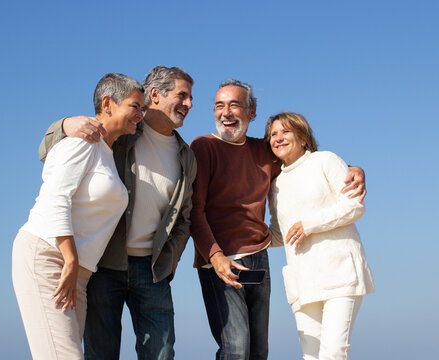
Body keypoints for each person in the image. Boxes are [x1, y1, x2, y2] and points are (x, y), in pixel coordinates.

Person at [190, 81, 367, 360]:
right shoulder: (203, 147)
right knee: (236, 348)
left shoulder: (265, 152)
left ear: (252, 111)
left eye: (234, 104)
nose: (226, 112)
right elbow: (194, 210)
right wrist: (215, 257)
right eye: (219, 106)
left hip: (259, 260)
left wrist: (354, 169)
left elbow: (305, 165)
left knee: (259, 351)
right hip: (222, 261)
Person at [39, 65, 196, 360]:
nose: (189, 104)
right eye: (182, 96)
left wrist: (169, 262)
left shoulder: (186, 156)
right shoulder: (122, 132)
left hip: (153, 271)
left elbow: (184, 218)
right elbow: (47, 150)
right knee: (100, 353)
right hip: (104, 265)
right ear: (155, 95)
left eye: (190, 97)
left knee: (161, 354)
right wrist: (65, 124)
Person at [12, 73, 145, 359]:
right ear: (108, 103)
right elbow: (55, 200)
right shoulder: (81, 143)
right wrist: (70, 260)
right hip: (50, 257)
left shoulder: (107, 152)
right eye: (135, 106)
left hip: (79, 273)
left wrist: (77, 267)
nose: (141, 115)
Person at [266, 112, 375, 360]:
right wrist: (244, 237)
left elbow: (354, 206)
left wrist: (309, 224)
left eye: (285, 132)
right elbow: (280, 233)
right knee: (310, 355)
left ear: (303, 137)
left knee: (333, 352)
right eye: (273, 134)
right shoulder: (275, 185)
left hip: (340, 273)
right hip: (301, 280)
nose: (278, 138)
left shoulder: (326, 161)